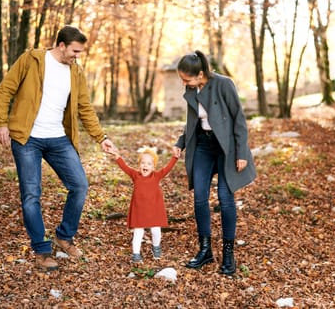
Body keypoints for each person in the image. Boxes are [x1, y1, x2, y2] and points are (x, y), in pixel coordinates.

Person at [0, 25, 116, 272]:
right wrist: (1, 122)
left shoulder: (76, 72)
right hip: (27, 138)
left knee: (79, 185)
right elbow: (5, 89)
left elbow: (84, 108)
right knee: (31, 195)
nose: (77, 56)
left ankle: (64, 236)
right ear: (61, 45)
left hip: (58, 138)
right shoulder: (32, 59)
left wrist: (101, 137)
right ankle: (42, 250)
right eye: (75, 51)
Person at [172, 50, 256, 276]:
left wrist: (241, 153)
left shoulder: (224, 84)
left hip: (226, 148)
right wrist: (181, 142)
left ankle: (228, 254)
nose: (184, 83)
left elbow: (239, 119)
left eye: (186, 79)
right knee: (199, 196)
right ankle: (205, 250)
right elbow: (191, 122)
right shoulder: (192, 88)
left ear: (200, 74)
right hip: (203, 146)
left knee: (225, 198)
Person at [108, 146, 179, 263]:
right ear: (139, 164)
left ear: (153, 166)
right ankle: (136, 254)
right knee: (138, 233)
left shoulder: (156, 176)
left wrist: (175, 157)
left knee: (156, 231)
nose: (145, 166)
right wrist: (117, 156)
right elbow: (125, 167)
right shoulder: (135, 175)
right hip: (139, 210)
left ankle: (156, 247)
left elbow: (167, 169)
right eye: (143, 163)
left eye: (149, 164)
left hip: (154, 209)